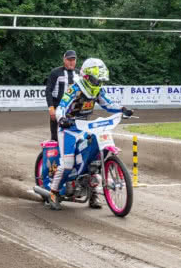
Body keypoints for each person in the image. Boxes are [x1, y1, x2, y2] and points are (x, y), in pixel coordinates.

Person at [48, 58, 134, 210]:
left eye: (101, 80)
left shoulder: (98, 90)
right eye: (96, 80)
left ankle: (93, 193)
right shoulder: (74, 89)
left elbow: (108, 104)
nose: (98, 83)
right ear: (87, 77)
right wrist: (62, 119)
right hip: (68, 128)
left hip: (85, 127)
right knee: (67, 164)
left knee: (94, 160)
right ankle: (53, 193)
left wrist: (122, 109)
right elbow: (61, 106)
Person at [45, 50, 78, 141]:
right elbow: (48, 91)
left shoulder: (78, 74)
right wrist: (51, 109)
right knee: (55, 138)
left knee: (73, 137)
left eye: (73, 60)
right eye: (69, 60)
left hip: (72, 112)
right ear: (64, 60)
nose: (71, 62)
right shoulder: (55, 72)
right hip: (57, 110)